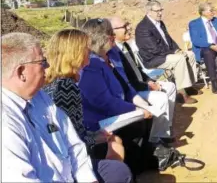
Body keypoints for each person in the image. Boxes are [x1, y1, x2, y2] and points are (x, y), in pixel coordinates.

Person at [1, 32, 131, 183]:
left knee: (117, 170)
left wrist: (88, 179)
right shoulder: (5, 119)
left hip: (68, 174)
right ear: (21, 72)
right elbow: (20, 178)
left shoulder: (41, 98)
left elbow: (74, 145)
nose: (47, 66)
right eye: (42, 62)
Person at [79, 18, 155, 174]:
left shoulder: (106, 57)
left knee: (144, 117)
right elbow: (105, 103)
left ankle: (143, 159)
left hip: (112, 111)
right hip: (99, 120)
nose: (113, 37)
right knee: (137, 123)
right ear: (104, 38)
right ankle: (135, 166)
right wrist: (136, 109)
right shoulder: (92, 65)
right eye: (110, 34)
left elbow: (124, 87)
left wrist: (140, 106)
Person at [43, 29, 126, 164]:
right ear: (75, 53)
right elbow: (75, 139)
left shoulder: (52, 81)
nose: (90, 51)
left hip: (60, 153)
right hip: (73, 159)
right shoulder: (66, 86)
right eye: (86, 48)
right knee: (116, 143)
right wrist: (97, 138)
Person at [108, 16, 176, 145]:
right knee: (160, 98)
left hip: (140, 84)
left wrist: (150, 81)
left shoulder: (125, 46)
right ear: (113, 31)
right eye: (125, 26)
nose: (129, 28)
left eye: (127, 24)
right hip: (132, 90)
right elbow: (124, 81)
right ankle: (156, 139)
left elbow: (138, 69)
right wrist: (147, 87)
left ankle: (165, 128)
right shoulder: (113, 52)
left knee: (170, 86)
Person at [135, 0, 200, 104]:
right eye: (157, 11)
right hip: (153, 59)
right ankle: (181, 94)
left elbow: (168, 39)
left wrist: (177, 49)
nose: (160, 13)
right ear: (149, 12)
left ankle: (188, 86)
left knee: (190, 54)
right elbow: (154, 49)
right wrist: (174, 53)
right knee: (179, 59)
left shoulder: (160, 23)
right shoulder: (143, 28)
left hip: (164, 54)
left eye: (161, 10)